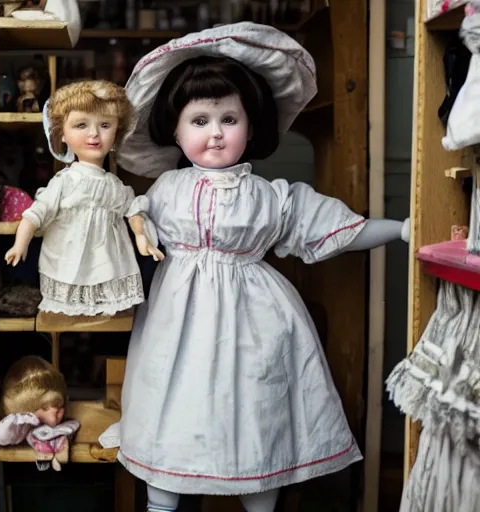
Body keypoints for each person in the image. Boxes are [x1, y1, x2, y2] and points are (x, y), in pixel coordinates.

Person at [100, 23, 410, 512]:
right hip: (175, 325)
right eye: (199, 120)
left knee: (256, 413)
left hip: (256, 322)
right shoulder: (164, 192)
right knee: (171, 410)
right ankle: (162, 501)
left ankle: (259, 496)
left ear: (252, 125)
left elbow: (332, 225)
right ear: (175, 130)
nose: (217, 133)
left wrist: (399, 229)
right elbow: (124, 231)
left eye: (229, 118)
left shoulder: (270, 197)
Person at [4, 80, 163, 316]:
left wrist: (142, 238)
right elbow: (36, 214)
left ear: (116, 132)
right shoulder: (64, 181)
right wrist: (20, 243)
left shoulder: (115, 185)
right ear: (63, 134)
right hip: (69, 257)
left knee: (107, 304)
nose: (93, 134)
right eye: (81, 125)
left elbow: (132, 211)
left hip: (107, 260)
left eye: (105, 125)